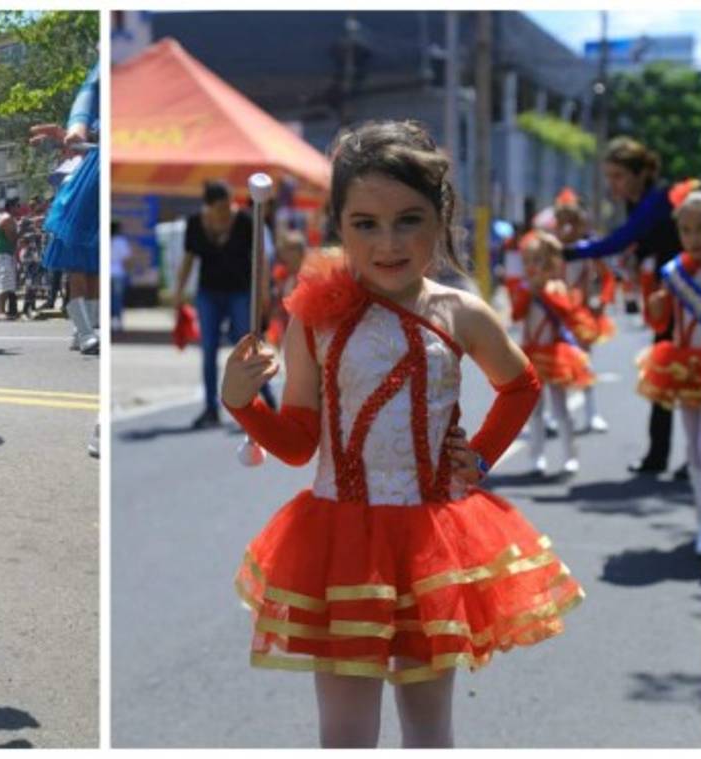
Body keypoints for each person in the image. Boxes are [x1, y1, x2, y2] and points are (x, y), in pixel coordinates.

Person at [222, 121, 583, 748]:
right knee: (345, 733)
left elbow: (521, 385)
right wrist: (241, 402)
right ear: (339, 225)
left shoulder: (460, 312)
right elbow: (300, 443)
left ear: (440, 219)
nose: (388, 243)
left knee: (428, 727)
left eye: (408, 220)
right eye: (365, 224)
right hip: (339, 542)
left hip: (431, 546)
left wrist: (479, 457)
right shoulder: (315, 317)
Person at [563, 137, 683, 476]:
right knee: (668, 372)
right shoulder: (639, 202)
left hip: (690, 297)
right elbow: (639, 243)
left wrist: (568, 251)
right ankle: (661, 455)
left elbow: (621, 239)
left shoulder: (658, 199)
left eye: (618, 176)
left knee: (689, 375)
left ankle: (683, 458)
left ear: (641, 173)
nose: (612, 184)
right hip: (667, 297)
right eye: (609, 176)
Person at [174, 179, 277, 429]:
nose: (225, 211)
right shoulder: (195, 224)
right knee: (208, 349)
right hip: (208, 293)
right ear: (208, 207)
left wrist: (264, 292)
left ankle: (267, 401)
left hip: (240, 292)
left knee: (248, 345)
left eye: (228, 205)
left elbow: (261, 258)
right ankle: (211, 408)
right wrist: (179, 291)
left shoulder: (245, 221)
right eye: (219, 207)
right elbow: (188, 259)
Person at [639, 187, 701, 554]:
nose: (694, 238)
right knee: (694, 448)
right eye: (687, 230)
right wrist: (657, 305)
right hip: (686, 367)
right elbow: (662, 322)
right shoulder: (675, 272)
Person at [30, 62, 101, 355]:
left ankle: (85, 329)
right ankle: (85, 332)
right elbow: (86, 99)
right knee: (78, 269)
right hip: (79, 201)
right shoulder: (101, 76)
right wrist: (65, 132)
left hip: (95, 197)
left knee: (95, 272)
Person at [512, 231, 595, 475]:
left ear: (549, 263)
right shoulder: (523, 288)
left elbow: (566, 312)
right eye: (527, 261)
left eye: (537, 261)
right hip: (530, 354)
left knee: (561, 408)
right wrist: (528, 293)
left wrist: (544, 292)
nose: (531, 267)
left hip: (555, 356)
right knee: (535, 410)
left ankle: (570, 456)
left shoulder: (557, 287)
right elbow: (516, 314)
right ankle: (536, 457)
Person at [553, 190, 613, 433]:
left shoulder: (589, 249)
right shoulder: (550, 249)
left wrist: (602, 301)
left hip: (580, 316)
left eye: (573, 222)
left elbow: (607, 278)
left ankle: (592, 413)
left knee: (585, 363)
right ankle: (555, 416)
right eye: (562, 222)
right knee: (552, 366)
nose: (568, 228)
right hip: (554, 316)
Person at [0, 197, 21, 320]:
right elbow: (12, 238)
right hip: (3, 253)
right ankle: (0, 311)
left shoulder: (8, 218)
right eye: (17, 206)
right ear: (11, 207)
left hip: (5, 253)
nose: (19, 208)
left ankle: (2, 311)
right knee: (4, 283)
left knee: (7, 283)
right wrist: (22, 232)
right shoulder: (7, 219)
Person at [110, 220, 133, 333]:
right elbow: (126, 259)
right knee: (117, 298)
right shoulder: (121, 242)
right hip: (118, 273)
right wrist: (128, 271)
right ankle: (117, 320)